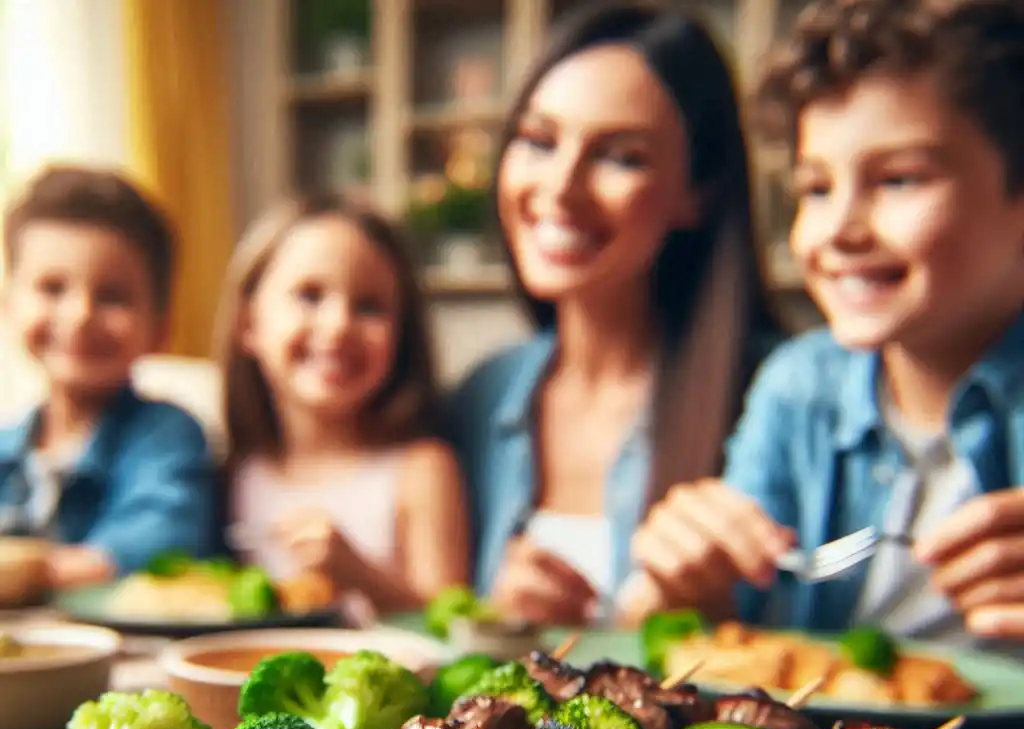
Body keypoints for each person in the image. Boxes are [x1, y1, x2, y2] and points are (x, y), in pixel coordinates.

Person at [626, 0, 1024, 645]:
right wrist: (675, 585)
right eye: (815, 189)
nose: (837, 230)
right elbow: (719, 627)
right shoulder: (801, 385)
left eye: (898, 180)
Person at [447, 0, 783, 626]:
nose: (561, 188)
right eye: (539, 141)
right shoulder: (479, 398)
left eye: (621, 157)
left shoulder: (780, 398)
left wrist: (710, 609)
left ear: (698, 194)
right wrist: (494, 620)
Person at [217, 194, 468, 616]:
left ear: (402, 335)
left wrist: (361, 577)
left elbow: (451, 622)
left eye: (369, 307)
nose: (338, 326)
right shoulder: (238, 471)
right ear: (247, 322)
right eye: (310, 296)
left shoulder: (422, 469)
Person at [0, 165, 218, 588]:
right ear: (8, 306)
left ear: (160, 328)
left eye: (113, 296)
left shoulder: (167, 437)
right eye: (52, 288)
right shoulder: (7, 445)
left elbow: (159, 546)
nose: (80, 315)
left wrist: (34, 573)